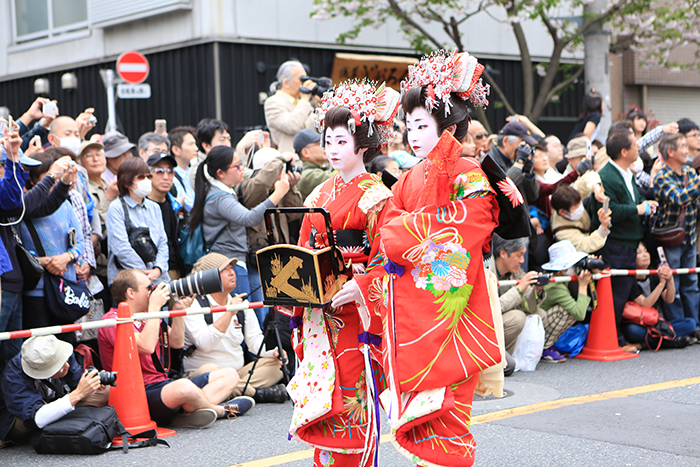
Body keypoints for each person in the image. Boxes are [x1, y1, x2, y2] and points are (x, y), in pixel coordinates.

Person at [335, 50, 503, 467]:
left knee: (450, 416)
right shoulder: (410, 177)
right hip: (414, 309)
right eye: (408, 125)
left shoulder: (468, 172)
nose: (411, 133)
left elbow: (472, 223)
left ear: (447, 124)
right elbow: (385, 237)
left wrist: (406, 232)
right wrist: (368, 278)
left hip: (453, 306)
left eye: (421, 124)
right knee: (422, 415)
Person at [278, 79, 399, 467]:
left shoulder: (378, 196)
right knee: (324, 397)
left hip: (355, 315)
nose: (332, 149)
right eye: (328, 140)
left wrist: (362, 286)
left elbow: (388, 259)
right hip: (320, 315)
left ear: (362, 145)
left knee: (353, 396)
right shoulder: (318, 195)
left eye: (341, 141)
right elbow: (302, 251)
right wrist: (288, 284)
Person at [98, 269, 250, 428]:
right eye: (149, 288)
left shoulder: (146, 315)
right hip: (138, 393)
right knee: (185, 387)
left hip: (163, 385)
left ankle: (187, 413)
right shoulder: (112, 321)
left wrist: (178, 312)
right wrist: (154, 308)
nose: (154, 291)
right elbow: (146, 346)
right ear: (131, 292)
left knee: (229, 374)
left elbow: (176, 342)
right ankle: (219, 410)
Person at [182, 253, 287, 404]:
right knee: (210, 368)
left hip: (238, 373)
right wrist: (230, 312)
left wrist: (274, 352)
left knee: (277, 364)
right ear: (208, 278)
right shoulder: (193, 304)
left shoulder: (238, 301)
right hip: (205, 372)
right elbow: (204, 343)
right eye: (224, 269)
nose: (233, 272)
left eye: (232, 268)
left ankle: (231, 390)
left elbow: (255, 342)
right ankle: (253, 392)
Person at [189, 145, 289, 302]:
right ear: (220, 173)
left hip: (233, 261)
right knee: (241, 313)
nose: (242, 169)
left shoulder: (222, 191)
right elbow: (249, 219)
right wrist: (278, 194)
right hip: (228, 262)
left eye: (241, 164)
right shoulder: (220, 198)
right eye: (237, 166)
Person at [590, 130, 658, 346]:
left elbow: (634, 200)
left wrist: (646, 205)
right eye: (635, 146)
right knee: (615, 296)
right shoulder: (608, 176)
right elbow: (611, 210)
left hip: (627, 243)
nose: (638, 149)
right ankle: (614, 341)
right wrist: (639, 208)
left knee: (621, 293)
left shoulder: (626, 172)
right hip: (615, 243)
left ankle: (616, 339)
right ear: (623, 151)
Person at [0, 335, 108, 447]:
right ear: (45, 372)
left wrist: (90, 386)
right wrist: (78, 394)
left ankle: (61, 425)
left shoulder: (59, 352)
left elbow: (76, 384)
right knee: (36, 420)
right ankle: (60, 427)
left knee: (105, 392)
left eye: (64, 359)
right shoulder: (13, 376)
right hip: (24, 417)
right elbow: (36, 417)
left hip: (57, 401)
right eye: (60, 366)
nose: (67, 365)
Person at [20, 155, 82, 342]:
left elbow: (80, 243)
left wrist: (67, 256)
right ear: (34, 179)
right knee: (40, 349)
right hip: (36, 290)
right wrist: (45, 262)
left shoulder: (65, 204)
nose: (54, 179)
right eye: (50, 175)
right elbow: (17, 251)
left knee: (67, 347)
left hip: (65, 287)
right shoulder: (21, 206)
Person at [653, 133, 700, 331]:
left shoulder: (689, 171)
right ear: (670, 152)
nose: (686, 149)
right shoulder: (661, 177)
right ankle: (678, 329)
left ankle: (694, 326)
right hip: (671, 239)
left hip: (690, 237)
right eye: (682, 146)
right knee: (673, 284)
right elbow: (679, 198)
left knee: (691, 284)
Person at [105, 157, 169, 286]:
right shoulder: (116, 208)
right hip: (128, 282)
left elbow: (162, 242)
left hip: (159, 280)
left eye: (148, 176)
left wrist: (157, 270)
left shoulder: (154, 207)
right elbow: (120, 247)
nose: (146, 181)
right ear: (127, 182)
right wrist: (144, 274)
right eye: (140, 177)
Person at [621, 242, 697, 349]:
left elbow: (669, 299)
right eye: (639, 252)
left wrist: (670, 279)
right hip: (640, 324)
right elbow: (645, 304)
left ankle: (651, 342)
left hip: (658, 324)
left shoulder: (653, 274)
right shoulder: (630, 279)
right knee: (632, 330)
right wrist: (661, 284)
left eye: (646, 251)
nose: (645, 255)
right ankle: (670, 341)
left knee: (691, 323)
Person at [538, 241, 593, 362]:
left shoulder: (557, 277)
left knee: (568, 309)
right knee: (565, 312)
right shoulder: (555, 285)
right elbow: (579, 313)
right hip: (535, 323)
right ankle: (544, 348)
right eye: (572, 264)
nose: (576, 266)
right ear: (561, 268)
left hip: (538, 321)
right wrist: (583, 286)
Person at [490, 235, 539, 355]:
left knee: (539, 314)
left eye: (523, 255)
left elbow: (532, 309)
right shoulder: (488, 271)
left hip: (501, 320)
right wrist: (519, 289)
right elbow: (492, 309)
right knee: (517, 317)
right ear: (503, 254)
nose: (522, 260)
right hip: (488, 324)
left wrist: (537, 290)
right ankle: (499, 357)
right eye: (519, 255)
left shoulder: (516, 271)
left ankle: (518, 356)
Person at [264, 60, 317, 153]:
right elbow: (292, 125)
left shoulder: (301, 103)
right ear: (286, 83)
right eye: (302, 79)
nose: (305, 83)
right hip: (292, 160)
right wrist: (304, 100)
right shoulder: (273, 102)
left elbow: (315, 128)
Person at [146, 152, 185, 280]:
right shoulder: (142, 205)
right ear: (149, 175)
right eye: (160, 171)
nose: (166, 177)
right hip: (152, 271)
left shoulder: (172, 204)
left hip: (176, 268)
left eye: (170, 171)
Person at [550, 185, 611, 253]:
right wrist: (603, 228)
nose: (580, 208)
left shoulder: (572, 196)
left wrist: (596, 187)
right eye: (575, 207)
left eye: (580, 203)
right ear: (562, 212)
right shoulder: (562, 233)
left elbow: (585, 180)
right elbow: (586, 244)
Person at [292, 128, 332, 201]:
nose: (324, 146)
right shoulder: (308, 176)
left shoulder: (318, 170)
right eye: (319, 144)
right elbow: (340, 179)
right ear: (306, 153)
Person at [168, 126, 197, 213]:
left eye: (195, 144)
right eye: (190, 144)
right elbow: (189, 205)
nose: (196, 148)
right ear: (176, 150)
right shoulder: (172, 176)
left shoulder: (191, 172)